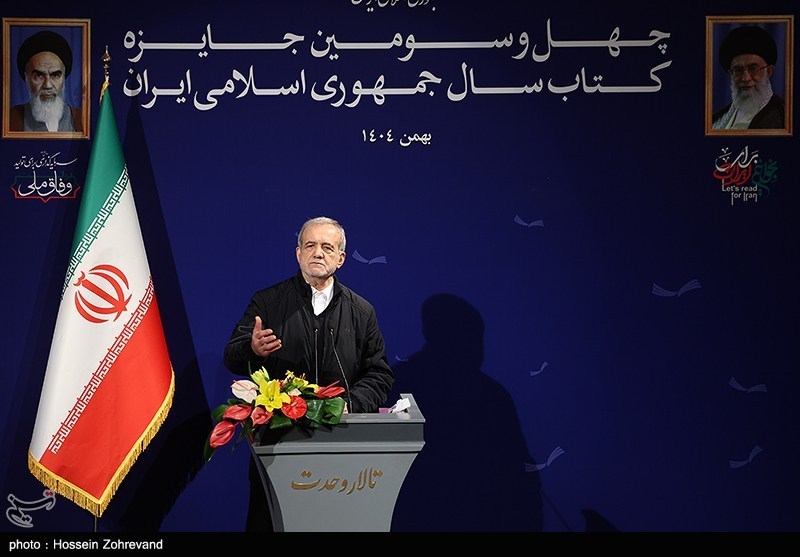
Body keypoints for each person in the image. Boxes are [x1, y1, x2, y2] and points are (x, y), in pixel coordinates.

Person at [223, 216, 395, 531]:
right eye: (310, 245)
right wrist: (252, 349)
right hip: (277, 441)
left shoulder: (361, 311)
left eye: (327, 247)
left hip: (340, 441)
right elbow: (232, 356)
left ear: (341, 259)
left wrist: (350, 405)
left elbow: (378, 373)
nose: (318, 253)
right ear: (298, 253)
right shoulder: (268, 302)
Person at [712, 25, 785, 130]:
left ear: (769, 71)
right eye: (738, 70)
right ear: (731, 73)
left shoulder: (784, 116)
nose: (745, 78)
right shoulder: (719, 118)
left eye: (753, 68)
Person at [10, 30, 82, 132]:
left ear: (63, 77)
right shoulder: (11, 119)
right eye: (39, 76)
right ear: (27, 77)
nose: (47, 85)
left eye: (55, 75)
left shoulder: (81, 119)